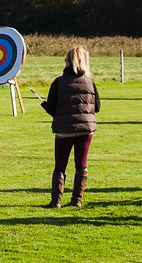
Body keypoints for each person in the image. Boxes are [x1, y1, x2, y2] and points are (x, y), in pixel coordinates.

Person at [42, 45, 100, 208]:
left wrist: (45, 105)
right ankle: (77, 200)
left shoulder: (58, 82)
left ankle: (56, 201)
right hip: (85, 130)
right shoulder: (90, 82)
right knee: (81, 165)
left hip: (64, 131)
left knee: (60, 165)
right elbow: (97, 107)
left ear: (66, 61)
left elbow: (52, 109)